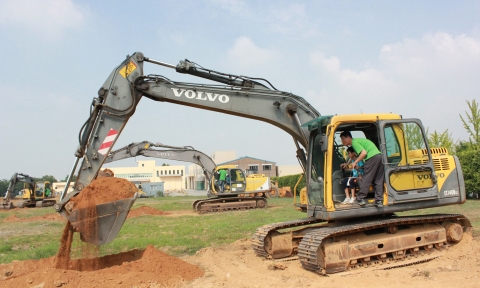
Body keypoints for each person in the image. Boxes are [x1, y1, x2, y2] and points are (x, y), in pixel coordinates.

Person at [340, 131, 384, 207]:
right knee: (378, 179)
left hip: (372, 157)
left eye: (343, 139)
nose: (342, 141)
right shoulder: (358, 141)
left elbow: (363, 153)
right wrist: (347, 163)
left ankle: (360, 198)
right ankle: (379, 200)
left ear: (348, 137)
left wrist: (356, 162)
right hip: (379, 157)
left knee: (366, 178)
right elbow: (356, 156)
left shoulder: (355, 143)